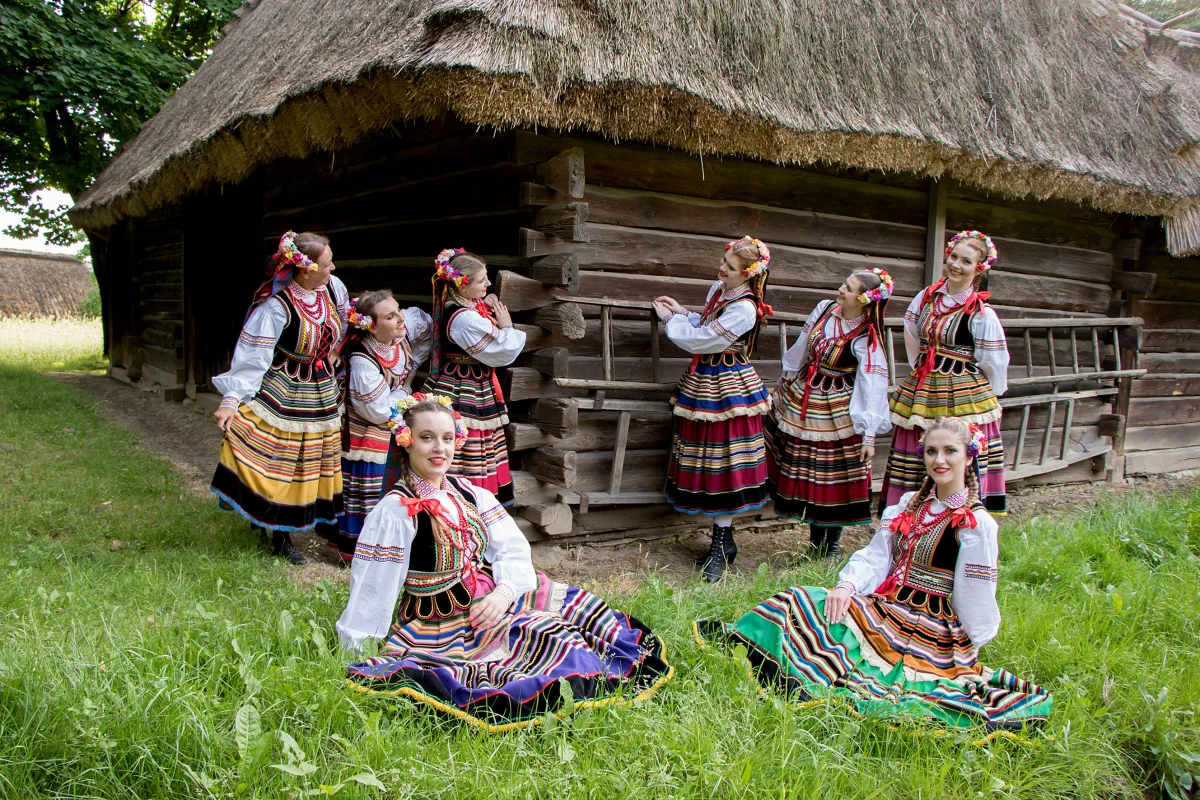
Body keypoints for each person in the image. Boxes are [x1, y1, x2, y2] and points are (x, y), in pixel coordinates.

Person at [336, 395, 673, 730]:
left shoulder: (467, 492)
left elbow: (511, 549)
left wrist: (505, 592)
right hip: (442, 619)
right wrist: (358, 646)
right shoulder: (397, 511)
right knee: (543, 638)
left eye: (448, 438)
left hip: (492, 595)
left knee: (574, 617)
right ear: (406, 442)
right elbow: (374, 585)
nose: (440, 448)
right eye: (427, 438)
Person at [697, 416, 1052, 730]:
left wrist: (965, 648)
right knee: (796, 599)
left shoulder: (976, 524)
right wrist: (847, 587)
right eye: (931, 452)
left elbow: (974, 595)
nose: (939, 460)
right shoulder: (909, 505)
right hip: (887, 603)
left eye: (949, 452)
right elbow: (877, 557)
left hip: (930, 624)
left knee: (893, 684)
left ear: (968, 456)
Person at [210, 231, 349, 566]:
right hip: (283, 389)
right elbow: (253, 356)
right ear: (304, 269)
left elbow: (343, 321)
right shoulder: (276, 306)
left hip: (320, 390)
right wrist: (231, 400)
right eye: (327, 264)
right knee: (279, 459)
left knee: (307, 464)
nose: (332, 269)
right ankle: (275, 533)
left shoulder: (332, 288)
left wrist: (334, 351)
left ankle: (281, 529)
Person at [652, 236, 773, 582]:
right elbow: (704, 326)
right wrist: (682, 313)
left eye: (731, 268)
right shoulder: (720, 290)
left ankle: (720, 545)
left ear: (748, 274)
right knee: (704, 458)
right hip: (706, 379)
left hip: (729, 387)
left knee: (724, 461)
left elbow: (703, 340)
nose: (723, 269)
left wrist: (669, 323)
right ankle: (726, 541)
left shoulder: (745, 308)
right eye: (724, 261)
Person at [882, 230, 1010, 514]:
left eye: (966, 261)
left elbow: (993, 359)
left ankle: (959, 513)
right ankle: (912, 514)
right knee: (919, 445)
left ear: (979, 268)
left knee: (958, 447)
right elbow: (912, 331)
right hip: (925, 385)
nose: (955, 265)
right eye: (953, 257)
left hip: (963, 390)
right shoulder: (926, 298)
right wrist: (919, 367)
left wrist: (987, 394)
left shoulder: (980, 313)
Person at [767, 268, 892, 559]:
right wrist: (786, 379)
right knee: (812, 475)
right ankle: (815, 546)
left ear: (863, 300)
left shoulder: (866, 337)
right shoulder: (824, 309)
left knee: (835, 476)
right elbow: (802, 346)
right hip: (806, 399)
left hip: (841, 410)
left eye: (848, 288)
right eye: (844, 284)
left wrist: (869, 434)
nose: (840, 290)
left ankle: (832, 548)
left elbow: (872, 383)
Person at [385, 249, 523, 505]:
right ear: (463, 283)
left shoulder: (464, 305)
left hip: (469, 380)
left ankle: (477, 502)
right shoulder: (464, 319)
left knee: (474, 440)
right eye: (482, 280)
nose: (488, 284)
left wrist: (488, 298)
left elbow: (481, 305)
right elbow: (501, 350)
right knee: (463, 439)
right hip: (464, 385)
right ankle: (462, 500)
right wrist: (507, 327)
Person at [321, 290, 433, 562]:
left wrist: (414, 361)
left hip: (392, 428)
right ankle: (362, 553)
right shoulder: (362, 361)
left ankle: (394, 549)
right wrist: (406, 386)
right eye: (390, 316)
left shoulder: (400, 333)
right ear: (370, 325)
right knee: (370, 493)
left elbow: (427, 326)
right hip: (368, 434)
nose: (400, 319)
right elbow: (380, 410)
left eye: (398, 310)